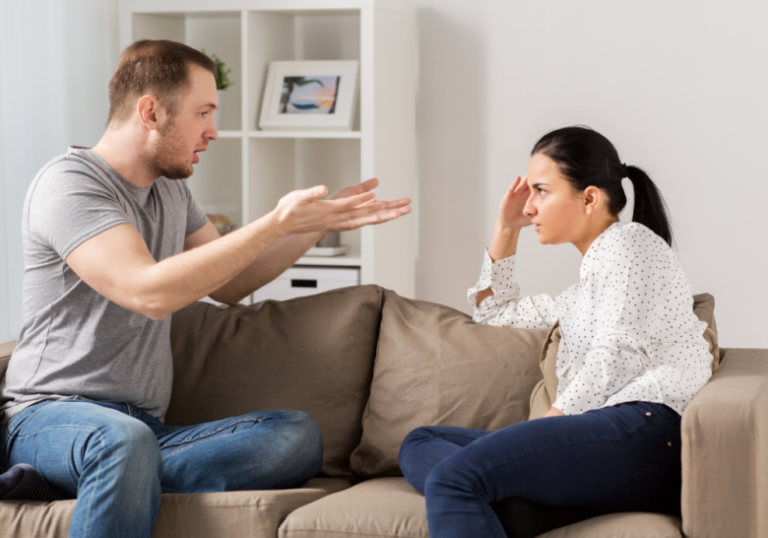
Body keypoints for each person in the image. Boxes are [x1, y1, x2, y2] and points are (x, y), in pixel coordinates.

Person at [0, 39, 410, 538]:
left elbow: (233, 282)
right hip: (50, 415)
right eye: (203, 113)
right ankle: (102, 469)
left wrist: (312, 226)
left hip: (145, 429)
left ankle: (103, 479)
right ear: (150, 111)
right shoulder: (69, 185)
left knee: (295, 437)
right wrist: (274, 220)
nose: (212, 131)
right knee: (121, 443)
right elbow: (149, 293)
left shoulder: (171, 189)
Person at [398, 126, 713, 538]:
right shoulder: (578, 296)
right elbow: (494, 314)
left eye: (541, 191)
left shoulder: (630, 243)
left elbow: (618, 351)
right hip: (610, 438)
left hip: (645, 429)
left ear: (589, 198)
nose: (529, 207)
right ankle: (510, 503)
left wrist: (552, 422)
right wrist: (506, 228)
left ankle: (487, 489)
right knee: (420, 442)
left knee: (451, 479)